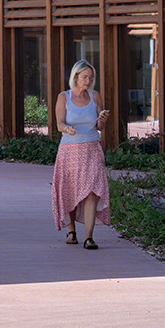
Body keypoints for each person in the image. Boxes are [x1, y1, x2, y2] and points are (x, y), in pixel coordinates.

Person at [52, 59, 111, 248]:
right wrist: (67, 129)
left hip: (92, 148)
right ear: (75, 76)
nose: (88, 81)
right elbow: (59, 123)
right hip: (70, 150)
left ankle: (89, 237)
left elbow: (100, 126)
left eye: (90, 77)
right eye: (84, 77)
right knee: (69, 190)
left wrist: (102, 119)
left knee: (91, 192)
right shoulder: (64, 97)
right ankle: (71, 232)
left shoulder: (95, 96)